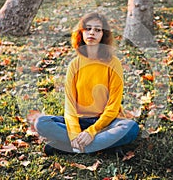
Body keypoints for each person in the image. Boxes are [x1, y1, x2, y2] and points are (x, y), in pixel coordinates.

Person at [34, 12, 139, 155]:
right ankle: (100, 145)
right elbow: (70, 106)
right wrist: (75, 133)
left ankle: (71, 147)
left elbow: (113, 107)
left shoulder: (114, 63)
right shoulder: (75, 64)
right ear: (81, 33)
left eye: (97, 30)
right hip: (79, 121)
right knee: (41, 123)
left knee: (131, 128)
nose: (92, 33)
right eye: (88, 29)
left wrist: (92, 131)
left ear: (103, 35)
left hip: (107, 123)